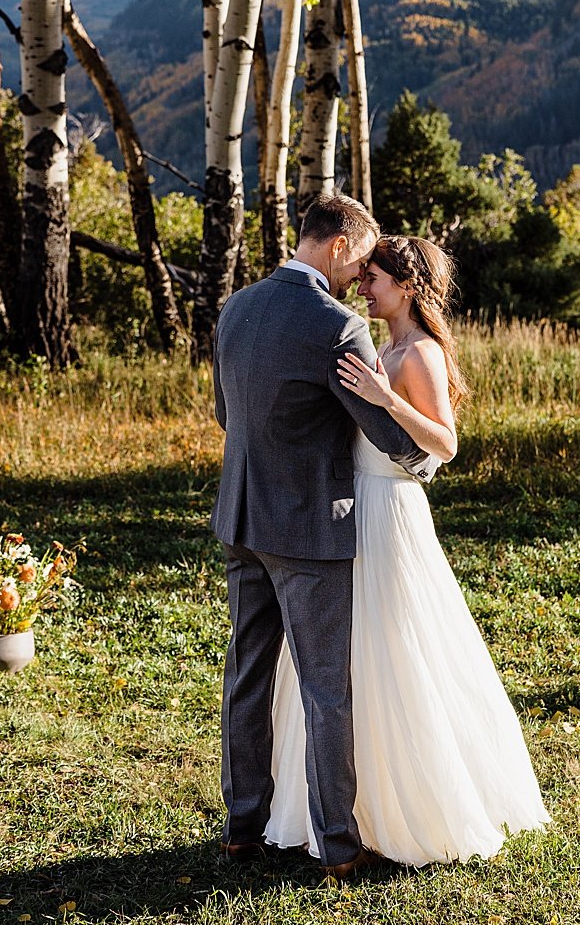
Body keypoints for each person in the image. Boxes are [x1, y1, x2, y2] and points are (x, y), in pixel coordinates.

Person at [264, 234, 551, 867]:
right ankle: (351, 803)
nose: (363, 288)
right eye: (362, 277)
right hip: (353, 507)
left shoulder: (415, 352)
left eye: (374, 279)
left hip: (389, 510)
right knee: (352, 656)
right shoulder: (384, 345)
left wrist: (385, 397)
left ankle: (413, 802)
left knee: (395, 647)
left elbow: (444, 444)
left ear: (407, 287)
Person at [210, 195, 438, 879]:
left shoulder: (237, 307)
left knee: (247, 675)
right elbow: (383, 431)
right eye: (362, 256)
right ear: (339, 246)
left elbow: (228, 414)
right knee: (325, 689)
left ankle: (241, 828)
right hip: (309, 529)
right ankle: (338, 846)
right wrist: (427, 461)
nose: (362, 272)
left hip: (243, 520)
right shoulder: (335, 325)